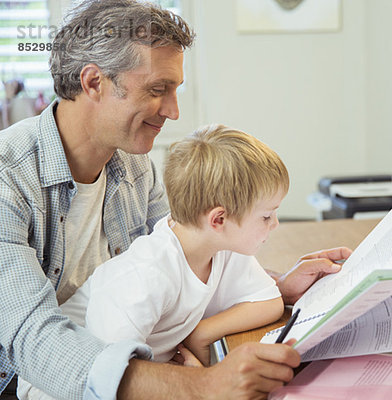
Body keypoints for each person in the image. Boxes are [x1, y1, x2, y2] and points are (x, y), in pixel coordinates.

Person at [0, 1, 351, 399]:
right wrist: (202, 386)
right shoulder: (7, 180)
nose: (174, 111)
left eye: (175, 90)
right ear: (93, 82)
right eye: (157, 89)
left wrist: (277, 286)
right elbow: (33, 340)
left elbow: (187, 256)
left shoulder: (134, 167)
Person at [18, 124, 294, 399]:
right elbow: (110, 378)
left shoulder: (222, 247)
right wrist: (194, 381)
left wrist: (201, 333)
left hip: (141, 371)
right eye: (266, 216)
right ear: (219, 219)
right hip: (65, 385)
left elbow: (268, 301)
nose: (275, 224)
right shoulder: (145, 276)